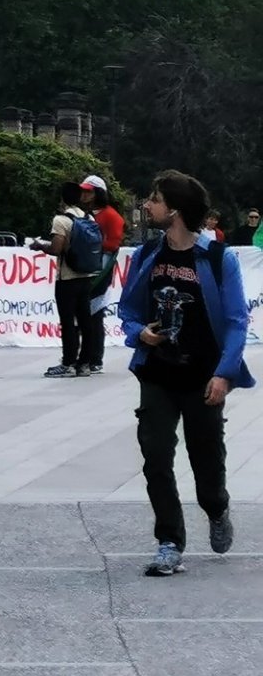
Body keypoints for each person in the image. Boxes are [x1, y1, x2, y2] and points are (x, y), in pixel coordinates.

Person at [119, 171, 253, 577]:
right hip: (157, 375)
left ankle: (216, 508)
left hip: (203, 377)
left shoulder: (217, 258)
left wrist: (225, 373)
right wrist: (139, 333)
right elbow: (127, 311)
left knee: (206, 459)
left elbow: (236, 320)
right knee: (156, 456)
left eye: (154, 199)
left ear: (174, 209)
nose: (147, 205)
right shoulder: (147, 256)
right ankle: (168, 542)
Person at [42, 183, 107, 378]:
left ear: (62, 199)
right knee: (86, 320)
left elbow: (56, 248)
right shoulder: (89, 218)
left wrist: (39, 246)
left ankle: (69, 362)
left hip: (67, 277)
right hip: (86, 276)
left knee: (68, 322)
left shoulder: (61, 220)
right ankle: (84, 364)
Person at [86, 175, 126, 374]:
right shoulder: (85, 214)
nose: (85, 195)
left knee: (94, 315)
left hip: (100, 270)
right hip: (83, 270)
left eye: (89, 191)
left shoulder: (111, 216)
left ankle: (95, 358)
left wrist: (90, 244)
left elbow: (114, 242)